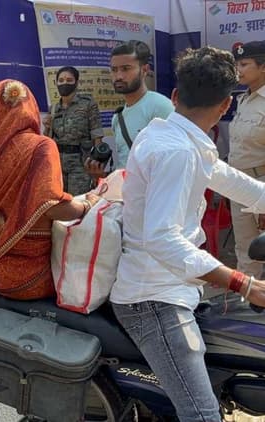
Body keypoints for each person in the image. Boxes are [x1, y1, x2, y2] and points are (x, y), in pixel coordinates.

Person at [110, 46, 265, 421]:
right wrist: (243, 282)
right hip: (153, 300)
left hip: (174, 287)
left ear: (176, 95)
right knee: (203, 415)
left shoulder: (176, 137)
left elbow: (237, 183)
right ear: (226, 105)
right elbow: (162, 239)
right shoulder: (177, 150)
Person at [0, 79, 100, 299]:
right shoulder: (40, 147)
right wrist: (88, 204)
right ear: (29, 108)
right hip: (30, 280)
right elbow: (53, 207)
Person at [86, 40, 174, 176]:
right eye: (114, 70)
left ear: (144, 70)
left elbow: (174, 162)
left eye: (126, 69)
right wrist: (102, 175)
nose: (118, 76)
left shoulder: (161, 107)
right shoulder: (117, 117)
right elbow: (125, 163)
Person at [229, 40, 265, 278]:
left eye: (244, 64)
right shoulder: (242, 99)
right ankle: (249, 295)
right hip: (239, 184)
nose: (238, 70)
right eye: (237, 64)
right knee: (245, 247)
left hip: (262, 182)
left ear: (263, 67)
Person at [43, 66, 103, 194]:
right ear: (56, 83)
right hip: (58, 163)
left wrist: (96, 164)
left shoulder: (87, 104)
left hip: (80, 164)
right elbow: (48, 139)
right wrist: (47, 127)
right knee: (60, 199)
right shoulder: (53, 108)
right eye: (61, 80)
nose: (64, 83)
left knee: (77, 201)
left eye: (69, 80)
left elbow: (97, 134)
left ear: (76, 83)